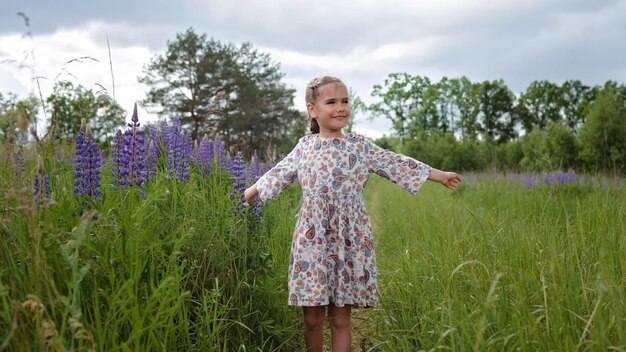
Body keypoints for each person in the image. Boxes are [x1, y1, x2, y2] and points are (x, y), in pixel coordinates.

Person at [243, 76, 461, 352]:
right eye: (331, 102)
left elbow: (395, 162)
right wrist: (247, 195)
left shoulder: (360, 146)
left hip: (349, 239)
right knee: (311, 318)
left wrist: (439, 175)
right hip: (313, 239)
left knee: (340, 318)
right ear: (312, 109)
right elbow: (278, 173)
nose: (340, 107)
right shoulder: (304, 147)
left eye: (345, 101)